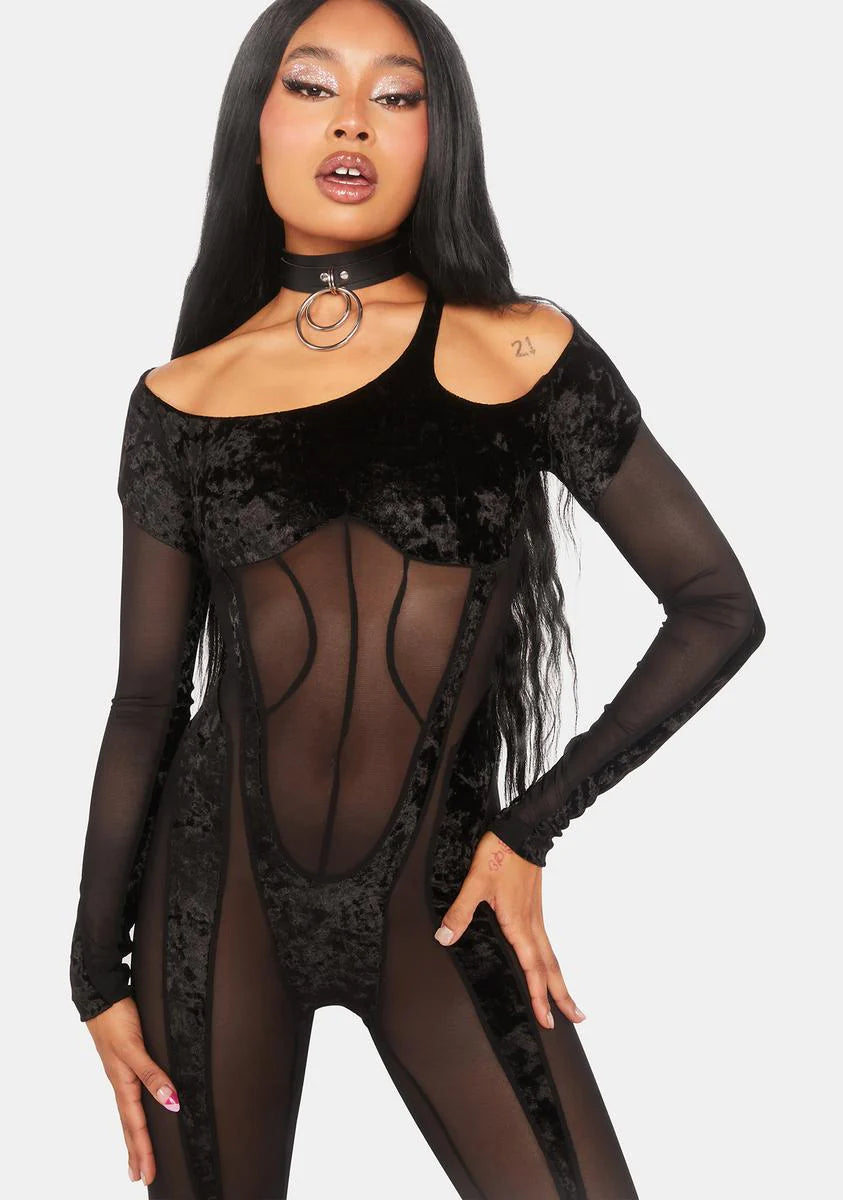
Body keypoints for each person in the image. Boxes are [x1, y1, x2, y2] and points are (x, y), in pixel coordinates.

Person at [68, 0, 766, 1196]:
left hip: (442, 896)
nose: (353, 120)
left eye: (397, 96)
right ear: (254, 127)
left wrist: (531, 830)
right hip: (215, 899)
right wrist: (94, 978)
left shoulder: (523, 349)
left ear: (441, 140)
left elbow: (717, 605)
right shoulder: (180, 400)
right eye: (312, 87)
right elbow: (145, 702)